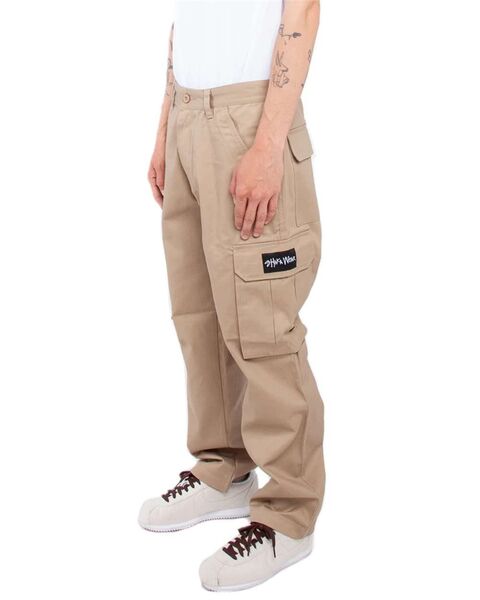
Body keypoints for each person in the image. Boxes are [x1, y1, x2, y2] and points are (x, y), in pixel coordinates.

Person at [139, 0, 325, 591]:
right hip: (189, 115)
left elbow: (303, 9)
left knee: (262, 325)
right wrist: (167, 124)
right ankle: (226, 469)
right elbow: (190, 21)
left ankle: (290, 514)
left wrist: (268, 145)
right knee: (199, 315)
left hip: (251, 120)